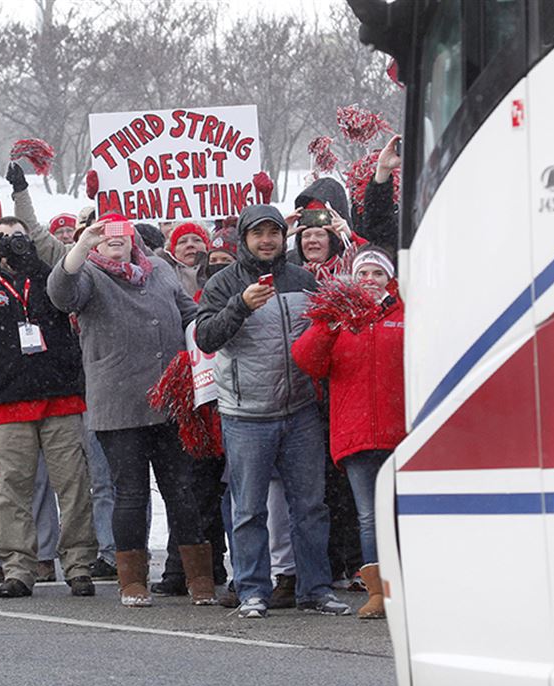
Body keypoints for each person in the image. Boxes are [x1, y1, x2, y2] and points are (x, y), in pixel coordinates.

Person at [49, 214, 216, 607]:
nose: (115, 241)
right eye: (105, 237)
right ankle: (132, 580)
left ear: (134, 239)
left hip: (170, 401)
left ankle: (199, 577)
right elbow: (60, 293)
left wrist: (212, 334)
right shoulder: (89, 273)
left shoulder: (158, 267)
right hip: (118, 404)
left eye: (121, 235)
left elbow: (188, 316)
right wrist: (82, 246)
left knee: (181, 491)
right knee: (131, 493)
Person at [194, 204, 351, 619]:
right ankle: (252, 591)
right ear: (245, 238)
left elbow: (321, 336)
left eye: (274, 233)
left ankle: (316, 588)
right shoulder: (223, 282)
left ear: (285, 238)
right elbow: (207, 338)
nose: (267, 241)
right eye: (258, 233)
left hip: (300, 411)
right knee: (249, 510)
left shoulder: (302, 280)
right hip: (246, 414)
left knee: (311, 507)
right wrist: (240, 305)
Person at [0, 216, 98, 598]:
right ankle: (18, 568)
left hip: (60, 396)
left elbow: (63, 294)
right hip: (8, 402)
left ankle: (79, 564)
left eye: (18, 237)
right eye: (1, 239)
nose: (12, 244)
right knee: (11, 491)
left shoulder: (44, 275)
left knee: (73, 487)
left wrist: (30, 258)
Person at [291, 245, 405, 618]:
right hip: (356, 434)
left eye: (376, 274)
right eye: (363, 274)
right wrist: (326, 323)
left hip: (402, 433)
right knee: (370, 517)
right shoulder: (340, 317)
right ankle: (380, 593)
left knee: (404, 512)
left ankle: (411, 586)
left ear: (390, 278)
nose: (369, 281)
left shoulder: (409, 313)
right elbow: (307, 360)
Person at [165, 221, 211, 297]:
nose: (190, 245)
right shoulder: (164, 274)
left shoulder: (217, 271)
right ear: (173, 250)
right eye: (182, 241)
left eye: (197, 240)